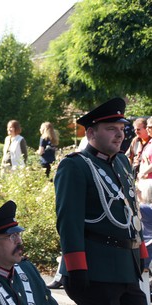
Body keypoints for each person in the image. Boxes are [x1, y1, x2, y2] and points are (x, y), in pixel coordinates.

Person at [55, 97, 148, 305]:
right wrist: (76, 267)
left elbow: (132, 210)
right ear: (91, 133)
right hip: (97, 271)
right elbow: (69, 223)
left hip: (126, 268)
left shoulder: (122, 161)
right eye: (110, 128)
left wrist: (140, 252)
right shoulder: (75, 166)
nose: (119, 135)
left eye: (121, 129)